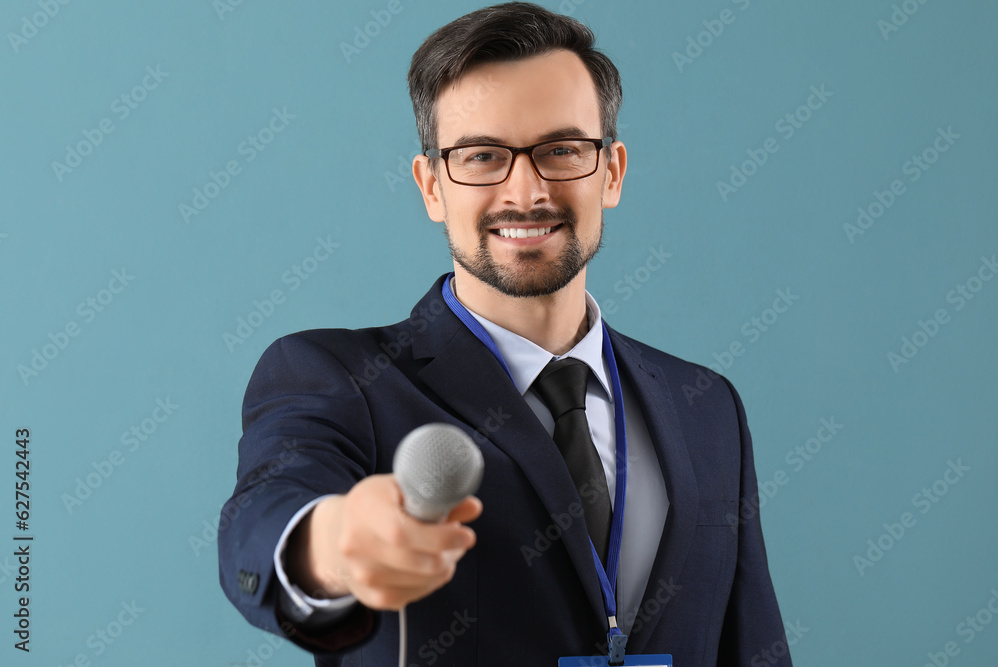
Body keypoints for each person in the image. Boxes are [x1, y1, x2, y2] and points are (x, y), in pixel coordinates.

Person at [218, 3, 792, 665]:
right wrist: (331, 541)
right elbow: (264, 517)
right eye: (483, 155)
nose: (527, 190)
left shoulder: (707, 405)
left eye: (562, 150)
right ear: (432, 186)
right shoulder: (340, 377)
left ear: (611, 171)